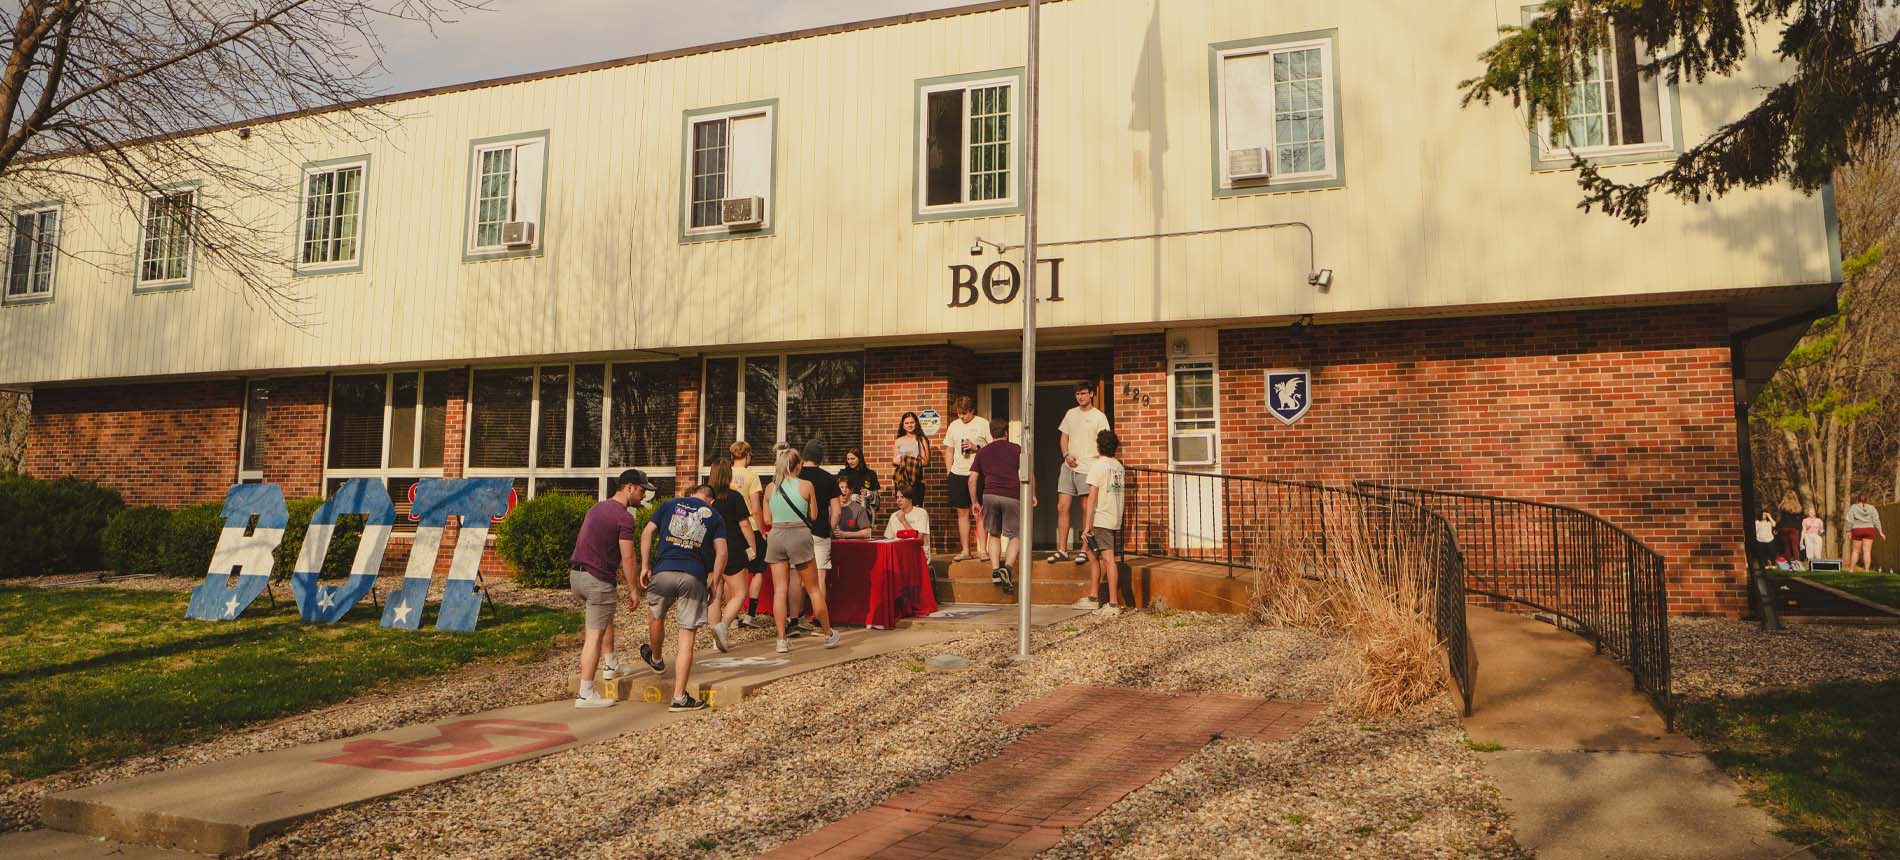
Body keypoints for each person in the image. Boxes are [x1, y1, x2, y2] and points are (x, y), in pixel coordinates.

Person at [566, 468, 655, 708]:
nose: (643, 495)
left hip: (577, 576)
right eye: (641, 490)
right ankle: (585, 693)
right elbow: (628, 558)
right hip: (597, 581)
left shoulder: (597, 508)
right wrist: (634, 589)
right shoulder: (625, 517)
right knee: (593, 636)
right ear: (629, 487)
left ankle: (611, 663)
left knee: (604, 618)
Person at [638, 483, 727, 712]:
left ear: (691, 494)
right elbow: (722, 553)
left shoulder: (668, 505)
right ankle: (679, 697)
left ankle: (656, 659)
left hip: (664, 571)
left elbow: (647, 532)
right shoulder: (714, 515)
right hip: (693, 575)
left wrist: (645, 565)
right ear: (710, 500)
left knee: (656, 615)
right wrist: (715, 582)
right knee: (686, 636)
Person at [763, 447, 841, 653]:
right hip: (799, 534)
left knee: (780, 589)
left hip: (777, 535)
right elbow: (814, 515)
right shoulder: (806, 485)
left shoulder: (771, 488)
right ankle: (827, 633)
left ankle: (781, 639)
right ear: (798, 466)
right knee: (813, 587)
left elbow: (766, 519)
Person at [1049, 380, 1111, 565]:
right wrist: (1066, 454)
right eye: (1077, 394)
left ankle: (1084, 549)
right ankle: (1062, 549)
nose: (1080, 397)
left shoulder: (1099, 416)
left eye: (1083, 393)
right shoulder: (1070, 414)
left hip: (1089, 468)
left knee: (1086, 509)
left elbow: (1104, 440)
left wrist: (1098, 463)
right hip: (1069, 467)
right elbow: (1064, 437)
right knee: (1062, 506)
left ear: (1091, 394)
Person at [970, 420, 1034, 591]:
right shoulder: (1016, 449)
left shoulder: (982, 452)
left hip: (989, 495)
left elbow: (972, 479)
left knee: (994, 534)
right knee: (1016, 535)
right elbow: (1029, 472)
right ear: (1006, 432)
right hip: (1011, 496)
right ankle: (1008, 567)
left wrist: (974, 501)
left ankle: (996, 570)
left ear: (991, 434)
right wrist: (1032, 494)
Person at [707, 457, 759, 649]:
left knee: (715, 593)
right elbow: (744, 524)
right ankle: (723, 626)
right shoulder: (734, 497)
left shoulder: (706, 499)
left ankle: (715, 638)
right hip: (733, 549)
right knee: (739, 593)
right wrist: (752, 547)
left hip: (710, 551)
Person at [1075, 429, 1127, 615]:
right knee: (1091, 553)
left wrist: (1087, 524)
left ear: (1099, 446)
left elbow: (1092, 497)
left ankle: (1113, 604)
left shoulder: (1098, 466)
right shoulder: (1118, 466)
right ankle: (1093, 596)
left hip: (1101, 517)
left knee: (1108, 559)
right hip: (1113, 516)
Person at [792, 441, 841, 633]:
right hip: (820, 532)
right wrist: (829, 529)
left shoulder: (796, 476)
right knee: (819, 577)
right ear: (821, 458)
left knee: (797, 577)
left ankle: (795, 619)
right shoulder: (829, 479)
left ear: (803, 457)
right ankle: (820, 619)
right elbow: (836, 511)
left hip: (797, 531)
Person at [942, 395, 990, 561]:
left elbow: (992, 448)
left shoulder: (983, 423)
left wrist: (975, 447)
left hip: (977, 474)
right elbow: (949, 449)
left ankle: (982, 550)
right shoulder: (954, 425)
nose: (961, 417)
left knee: (980, 512)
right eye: (959, 413)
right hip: (958, 473)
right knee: (962, 512)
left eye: (964, 413)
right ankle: (965, 550)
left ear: (972, 411)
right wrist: (949, 470)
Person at [728, 441, 770, 628]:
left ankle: (733, 616)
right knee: (757, 569)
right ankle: (750, 614)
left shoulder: (725, 474)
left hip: (731, 527)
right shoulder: (752, 477)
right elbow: (756, 509)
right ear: (747, 456)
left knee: (732, 572)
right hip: (750, 526)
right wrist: (761, 531)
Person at [891, 411, 930, 507]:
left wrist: (905, 459)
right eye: (907, 423)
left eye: (912, 422)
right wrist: (912, 458)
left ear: (916, 423)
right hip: (901, 481)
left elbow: (925, 461)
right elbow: (895, 460)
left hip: (916, 480)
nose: (909, 425)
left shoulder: (921, 439)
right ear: (903, 425)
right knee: (903, 509)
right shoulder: (898, 441)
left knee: (916, 509)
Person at [1847, 496, 1885, 571]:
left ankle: (1851, 570)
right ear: (1866, 500)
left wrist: (1848, 530)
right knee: (1867, 551)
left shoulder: (1853, 507)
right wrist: (1880, 532)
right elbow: (1876, 520)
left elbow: (1850, 520)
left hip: (1857, 530)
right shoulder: (1872, 508)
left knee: (1855, 551)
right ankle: (1867, 571)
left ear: (1858, 500)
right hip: (1869, 529)